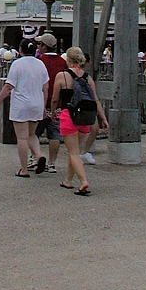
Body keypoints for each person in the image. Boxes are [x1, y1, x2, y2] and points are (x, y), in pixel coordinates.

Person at [50, 46, 108, 195]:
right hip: (85, 118)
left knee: (74, 152)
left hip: (69, 115)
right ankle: (68, 180)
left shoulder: (62, 76)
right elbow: (95, 99)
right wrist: (103, 118)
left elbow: (56, 98)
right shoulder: (88, 77)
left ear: (68, 59)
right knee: (74, 150)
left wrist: (52, 112)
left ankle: (83, 181)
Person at [0, 39, 48, 178]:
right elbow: (46, 87)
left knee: (22, 137)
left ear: (20, 50)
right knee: (32, 134)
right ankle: (38, 155)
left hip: (21, 104)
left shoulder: (17, 64)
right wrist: (44, 106)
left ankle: (24, 169)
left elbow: (9, 86)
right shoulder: (41, 64)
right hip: (37, 103)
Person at [33, 32, 66, 172]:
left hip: (41, 102)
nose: (38, 46)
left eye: (39, 44)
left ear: (44, 46)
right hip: (58, 103)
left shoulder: (40, 61)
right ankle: (52, 163)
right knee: (55, 135)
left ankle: (34, 157)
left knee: (34, 133)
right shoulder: (62, 62)